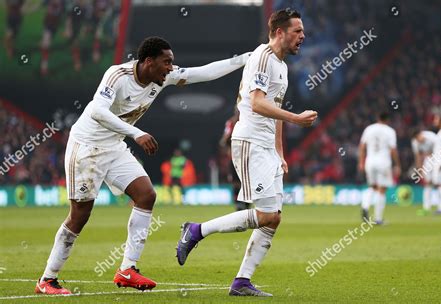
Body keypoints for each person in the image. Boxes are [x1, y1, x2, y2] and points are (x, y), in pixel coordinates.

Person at [35, 36, 251, 295]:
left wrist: (243, 59)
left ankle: (128, 269)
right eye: (167, 62)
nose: (171, 68)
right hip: (87, 147)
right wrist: (135, 133)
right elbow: (97, 112)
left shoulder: (162, 77)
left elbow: (201, 73)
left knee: (146, 195)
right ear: (149, 62)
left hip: (114, 146)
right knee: (80, 215)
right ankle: (47, 279)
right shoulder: (117, 75)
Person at [176, 9, 317, 297]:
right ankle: (196, 230)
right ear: (279, 32)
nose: (303, 36)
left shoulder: (282, 66)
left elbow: (274, 112)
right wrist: (297, 118)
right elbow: (257, 104)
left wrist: (280, 152)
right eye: (297, 31)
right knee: (266, 216)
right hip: (250, 143)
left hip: (267, 147)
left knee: (273, 218)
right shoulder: (263, 57)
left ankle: (242, 281)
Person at [358, 112, 400, 225]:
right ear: (388, 120)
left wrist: (361, 162)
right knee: (382, 190)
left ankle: (365, 205)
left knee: (372, 187)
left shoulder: (369, 129)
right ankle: (378, 218)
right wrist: (397, 164)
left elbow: (362, 146)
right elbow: (393, 150)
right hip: (383, 162)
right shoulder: (390, 131)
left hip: (370, 161)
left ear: (378, 118)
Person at [218, 108, 248, 211]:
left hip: (247, 158)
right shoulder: (231, 123)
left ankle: (245, 204)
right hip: (235, 158)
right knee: (236, 182)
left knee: (245, 181)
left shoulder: (249, 122)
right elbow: (223, 141)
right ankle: (239, 204)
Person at [411, 129, 438, 215]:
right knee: (427, 183)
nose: (418, 140)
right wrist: (420, 170)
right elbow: (418, 156)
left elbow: (440, 148)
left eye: (418, 137)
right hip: (427, 160)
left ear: (421, 134)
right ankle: (426, 208)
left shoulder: (431, 137)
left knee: (439, 182)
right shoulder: (415, 142)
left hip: (437, 158)